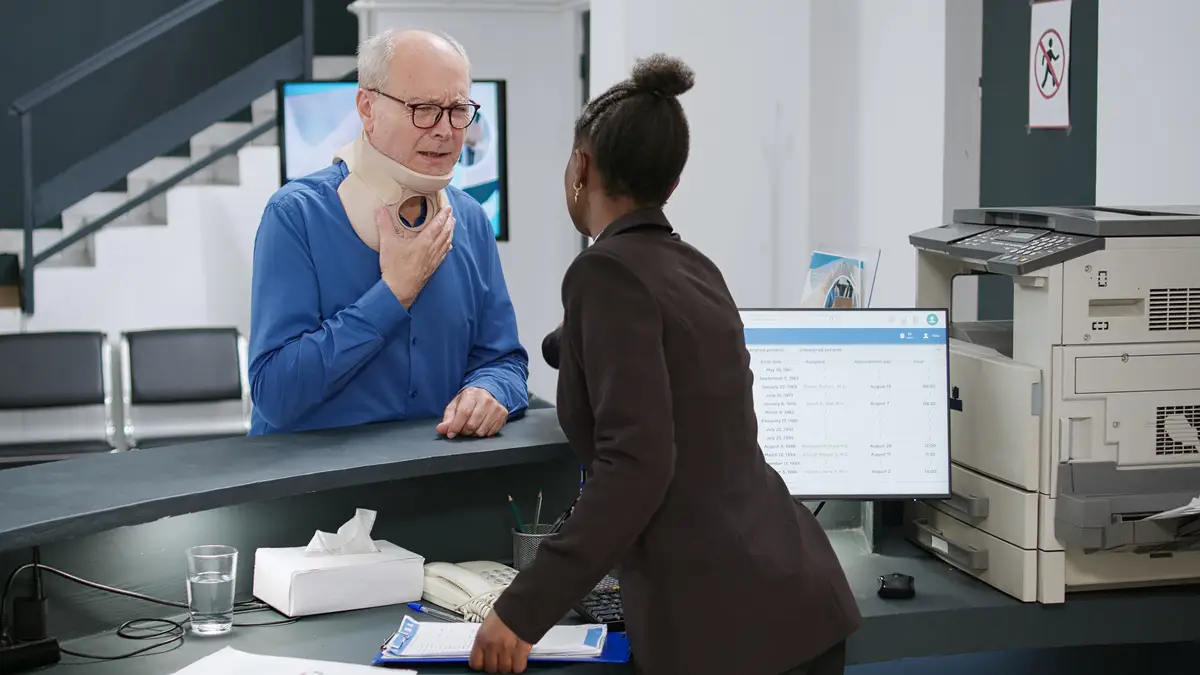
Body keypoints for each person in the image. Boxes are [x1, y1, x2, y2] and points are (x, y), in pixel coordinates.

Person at [469, 55, 861, 675]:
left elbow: (636, 466)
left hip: (725, 630)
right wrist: (569, 345)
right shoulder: (692, 267)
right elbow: (641, 354)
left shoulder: (602, 274)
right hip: (792, 593)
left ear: (581, 166)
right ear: (671, 185)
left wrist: (521, 611)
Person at [247, 29, 528, 436]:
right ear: (367, 107)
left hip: (434, 479)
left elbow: (504, 360)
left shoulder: (469, 221)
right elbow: (274, 394)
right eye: (425, 108)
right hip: (311, 489)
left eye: (458, 110)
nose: (445, 130)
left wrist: (490, 391)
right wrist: (393, 295)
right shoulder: (296, 216)